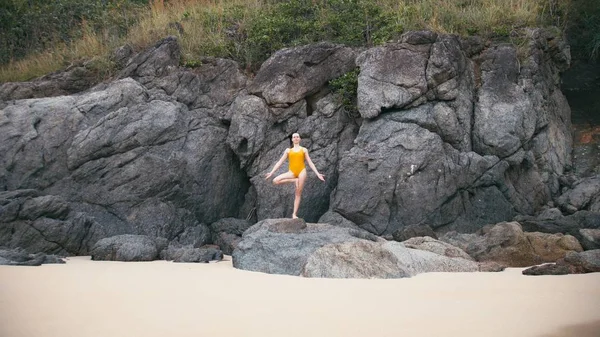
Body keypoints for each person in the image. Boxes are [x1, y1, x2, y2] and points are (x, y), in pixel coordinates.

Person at [265, 133, 325, 219]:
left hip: (302, 171)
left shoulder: (304, 150)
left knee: (298, 193)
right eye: (294, 137)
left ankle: (294, 214)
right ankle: (294, 180)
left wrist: (317, 173)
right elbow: (280, 162)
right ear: (292, 139)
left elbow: (310, 162)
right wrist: (271, 172)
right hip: (291, 172)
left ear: (299, 139)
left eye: (297, 137)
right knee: (275, 180)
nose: (296, 138)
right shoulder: (288, 151)